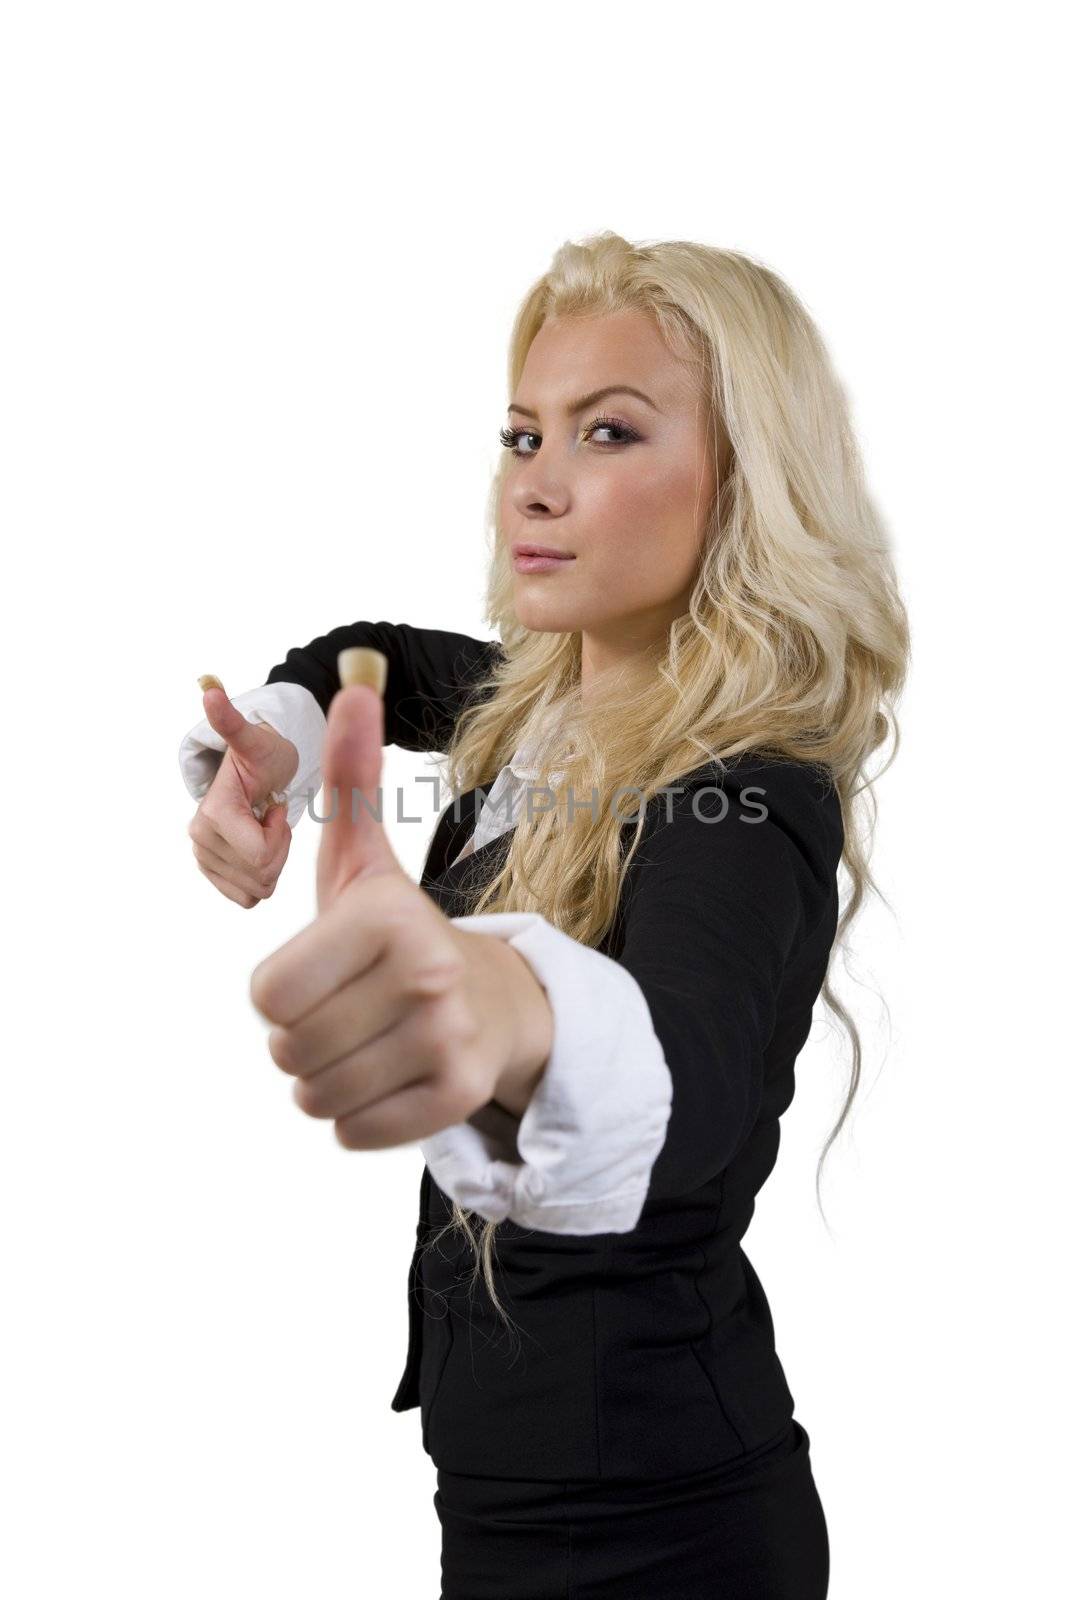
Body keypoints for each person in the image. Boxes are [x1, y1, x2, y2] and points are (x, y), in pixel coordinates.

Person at [178, 231, 909, 1599]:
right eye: (524, 437)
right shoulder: (537, 701)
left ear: (748, 484)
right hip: (505, 1492)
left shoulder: (749, 798)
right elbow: (372, 664)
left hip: (661, 1533)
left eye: (610, 432)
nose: (541, 486)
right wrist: (275, 739)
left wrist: (507, 1011)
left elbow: (683, 1088)